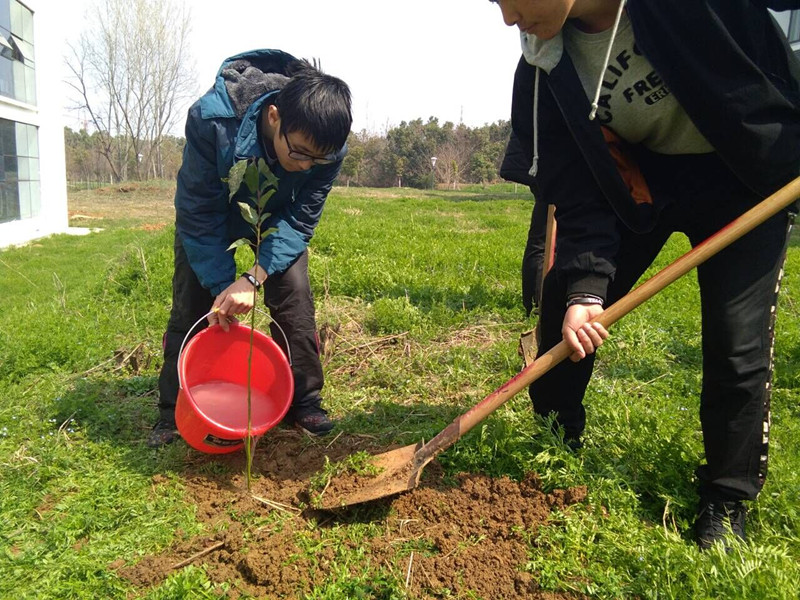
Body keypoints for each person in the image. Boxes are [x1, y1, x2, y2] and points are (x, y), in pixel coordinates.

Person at [489, 0, 800, 549]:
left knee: (737, 342)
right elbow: (579, 181)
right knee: (565, 298)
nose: (508, 19)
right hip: (642, 180)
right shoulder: (546, 59)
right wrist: (587, 289)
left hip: (743, 176)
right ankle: (556, 436)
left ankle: (726, 500)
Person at [150, 49, 352, 448]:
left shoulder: (326, 149)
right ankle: (172, 409)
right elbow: (198, 210)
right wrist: (224, 284)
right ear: (274, 117)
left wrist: (253, 276)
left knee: (295, 300)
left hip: (276, 219)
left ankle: (304, 400)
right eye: (298, 153)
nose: (307, 166)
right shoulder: (213, 120)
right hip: (215, 215)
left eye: (319, 159)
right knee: (193, 302)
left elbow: (301, 218)